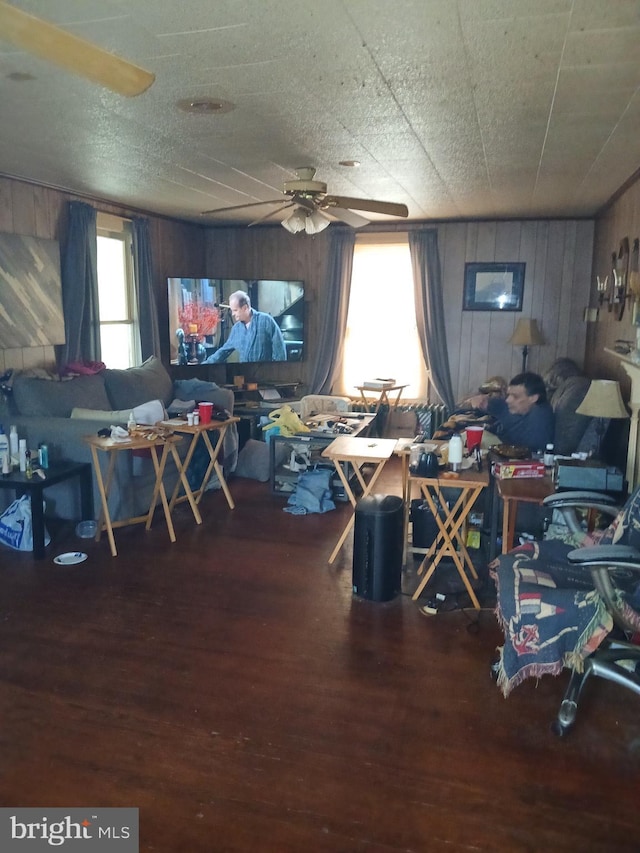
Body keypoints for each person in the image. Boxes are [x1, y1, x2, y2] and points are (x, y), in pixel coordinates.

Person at [467, 371, 554, 452]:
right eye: (509, 395)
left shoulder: (540, 417)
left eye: (515, 396)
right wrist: (484, 401)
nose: (508, 400)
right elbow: (500, 406)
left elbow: (525, 447)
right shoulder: (523, 408)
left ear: (533, 398)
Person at [203, 291, 287, 363]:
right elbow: (223, 352)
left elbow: (280, 351)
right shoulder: (236, 329)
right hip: (244, 375)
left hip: (265, 375)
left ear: (245, 308)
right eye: (232, 310)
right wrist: (204, 365)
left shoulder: (266, 320)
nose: (232, 314)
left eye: (235, 310)